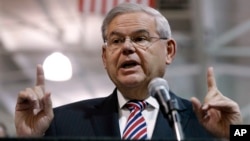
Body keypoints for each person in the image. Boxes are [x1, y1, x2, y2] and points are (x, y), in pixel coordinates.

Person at [15, 2, 242, 140]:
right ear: (105, 57)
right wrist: (28, 139)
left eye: (140, 38)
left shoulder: (205, 121)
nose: (126, 47)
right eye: (115, 41)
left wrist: (236, 133)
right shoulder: (62, 122)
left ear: (169, 51)